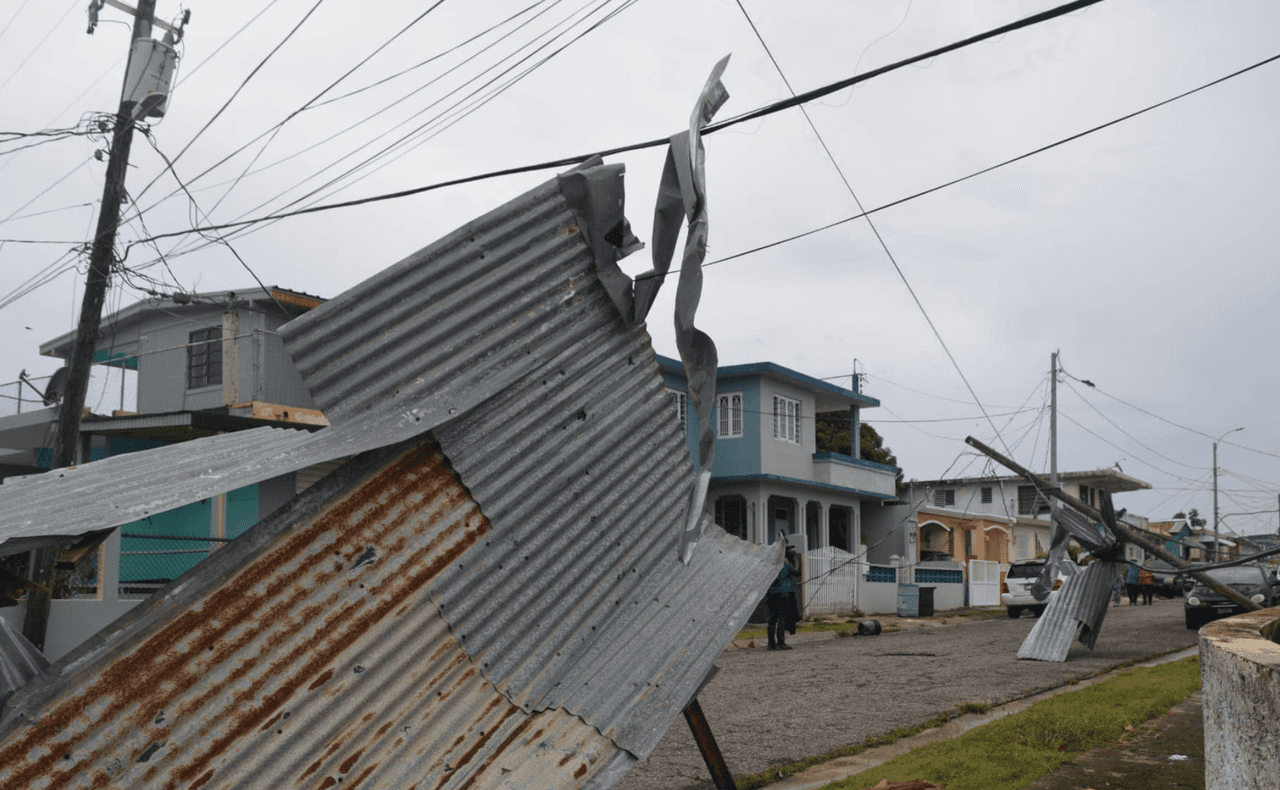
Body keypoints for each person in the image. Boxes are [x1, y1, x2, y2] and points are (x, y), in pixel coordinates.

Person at [767, 546, 799, 651]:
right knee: (782, 618)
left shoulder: (771, 564)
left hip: (772, 593)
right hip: (784, 593)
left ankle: (771, 644)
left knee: (772, 619)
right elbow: (796, 571)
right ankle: (780, 643)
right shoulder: (785, 564)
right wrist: (794, 558)